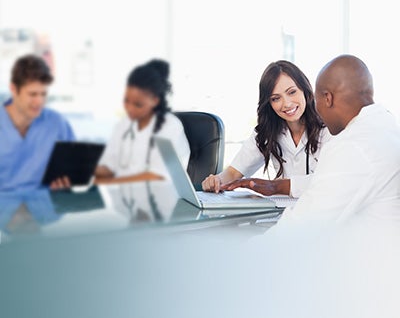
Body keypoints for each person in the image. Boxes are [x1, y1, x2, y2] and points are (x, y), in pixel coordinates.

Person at [278, 54, 400, 226]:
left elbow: (302, 226)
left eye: (316, 100)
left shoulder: (352, 145)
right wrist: (281, 186)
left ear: (328, 98)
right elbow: (335, 180)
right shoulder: (387, 126)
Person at [201, 60, 331, 197]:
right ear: (269, 103)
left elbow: (331, 181)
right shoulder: (267, 132)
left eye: (292, 92)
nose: (286, 104)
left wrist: (275, 186)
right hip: (285, 212)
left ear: (305, 89)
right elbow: (234, 172)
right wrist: (216, 181)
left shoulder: (329, 128)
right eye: (276, 98)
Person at [95, 59, 190, 181]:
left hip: (163, 196)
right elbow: (108, 165)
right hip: (124, 194)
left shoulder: (170, 126)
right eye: (126, 101)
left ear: (155, 100)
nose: (130, 109)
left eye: (138, 104)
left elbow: (157, 176)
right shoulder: (124, 124)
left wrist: (108, 182)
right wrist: (82, 171)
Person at [0, 54, 76, 191]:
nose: (39, 102)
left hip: (44, 207)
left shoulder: (57, 123)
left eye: (43, 94)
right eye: (33, 94)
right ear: (13, 89)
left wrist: (65, 184)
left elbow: (74, 170)